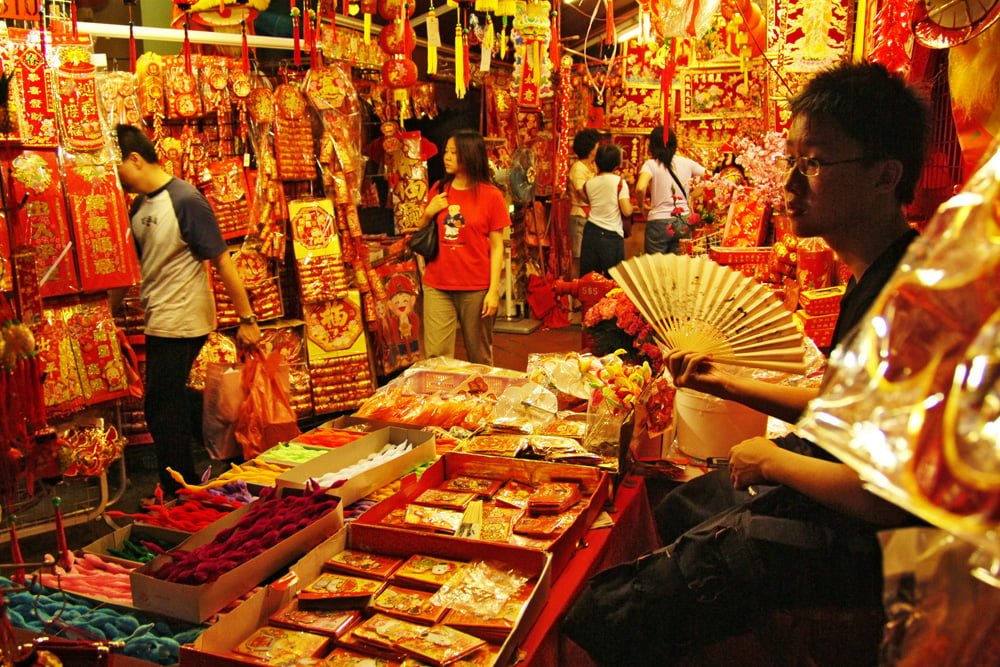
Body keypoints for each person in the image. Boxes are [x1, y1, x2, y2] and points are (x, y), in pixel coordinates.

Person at [564, 62, 929, 665]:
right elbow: (848, 410)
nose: (789, 183)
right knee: (678, 504)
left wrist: (774, 460)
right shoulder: (878, 275)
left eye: (813, 163)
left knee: (611, 608)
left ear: (884, 175)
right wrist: (727, 381)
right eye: (790, 160)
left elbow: (891, 494)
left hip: (872, 544)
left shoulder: (913, 304)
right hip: (843, 499)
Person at [114, 124, 261, 497]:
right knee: (174, 401)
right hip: (160, 316)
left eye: (118, 167)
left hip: (182, 318)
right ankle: (238, 449)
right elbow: (134, 267)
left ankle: (180, 487)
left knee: (161, 409)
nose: (117, 177)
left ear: (134, 159)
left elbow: (223, 261)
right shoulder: (139, 204)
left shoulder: (185, 200)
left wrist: (247, 319)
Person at [417, 129, 511, 366]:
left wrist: (493, 291)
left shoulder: (492, 196)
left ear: (469, 155)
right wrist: (429, 212)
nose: (446, 157)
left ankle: (482, 402)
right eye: (446, 152)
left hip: (476, 287)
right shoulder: (439, 189)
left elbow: (498, 247)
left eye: (453, 153)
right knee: (437, 357)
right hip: (438, 284)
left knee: (479, 356)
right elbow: (419, 229)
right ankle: (442, 403)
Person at [634, 126, 706, 255]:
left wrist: (641, 206)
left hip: (658, 222)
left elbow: (640, 187)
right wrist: (692, 196)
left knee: (655, 267)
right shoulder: (687, 163)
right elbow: (712, 179)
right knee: (679, 267)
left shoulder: (651, 165)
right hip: (683, 220)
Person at [579, 144, 634, 277]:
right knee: (613, 280)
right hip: (611, 235)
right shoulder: (619, 183)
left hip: (591, 232)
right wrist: (632, 206)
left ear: (597, 162)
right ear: (616, 164)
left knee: (590, 279)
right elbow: (626, 211)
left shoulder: (589, 183)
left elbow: (586, 199)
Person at [566, 129, 602, 277]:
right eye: (596, 146)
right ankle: (575, 293)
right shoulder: (578, 168)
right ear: (591, 148)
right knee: (578, 256)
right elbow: (581, 191)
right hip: (580, 214)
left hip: (591, 215)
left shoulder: (592, 166)